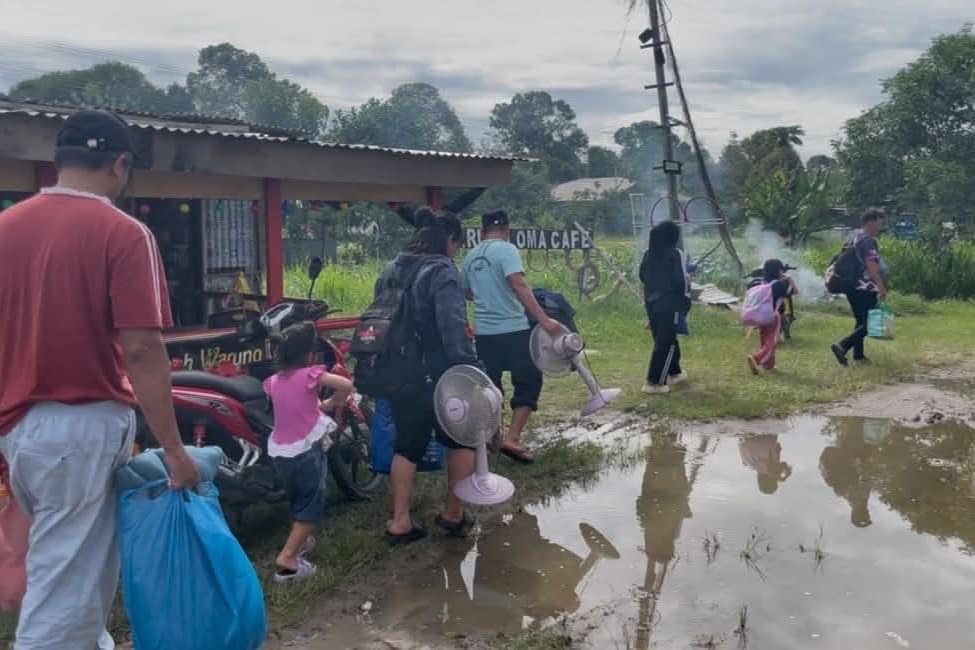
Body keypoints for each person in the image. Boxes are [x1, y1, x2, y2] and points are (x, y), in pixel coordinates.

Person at [0, 110, 201, 649]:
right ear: (120, 165)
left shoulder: (5, 228)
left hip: (18, 427)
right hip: (81, 428)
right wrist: (175, 449)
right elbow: (141, 347)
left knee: (70, 571)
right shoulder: (123, 233)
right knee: (66, 589)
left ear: (57, 162)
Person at [377, 208, 480, 544]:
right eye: (457, 244)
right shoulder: (443, 271)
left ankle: (400, 522)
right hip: (439, 373)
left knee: (406, 445)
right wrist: (470, 368)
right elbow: (452, 328)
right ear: (450, 240)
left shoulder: (392, 268)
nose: (456, 251)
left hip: (398, 369)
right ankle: (453, 515)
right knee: (460, 438)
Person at [462, 210, 562, 464]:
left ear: (482, 232)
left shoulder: (470, 256)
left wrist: (488, 293)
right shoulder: (507, 250)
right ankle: (512, 438)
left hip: (484, 334)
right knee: (529, 381)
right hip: (514, 330)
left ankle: (494, 437)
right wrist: (544, 320)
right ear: (507, 230)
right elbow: (519, 285)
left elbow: (468, 293)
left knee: (490, 387)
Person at [263, 322, 352, 583]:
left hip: (280, 452)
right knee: (311, 504)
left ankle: (300, 541)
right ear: (309, 355)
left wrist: (318, 404)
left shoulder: (271, 382)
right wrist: (335, 401)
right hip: (305, 451)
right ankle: (288, 559)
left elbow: (295, 405)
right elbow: (345, 385)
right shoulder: (311, 375)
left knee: (297, 500)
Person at [639, 221, 692, 395]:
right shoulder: (676, 253)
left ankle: (674, 372)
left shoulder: (648, 254)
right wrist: (685, 303)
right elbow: (681, 281)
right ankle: (654, 382)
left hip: (651, 303)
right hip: (670, 304)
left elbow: (642, 276)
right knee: (666, 342)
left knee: (664, 339)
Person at [832, 208, 888, 366]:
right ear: (870, 222)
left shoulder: (854, 238)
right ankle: (842, 346)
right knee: (869, 323)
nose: (880, 226)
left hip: (851, 286)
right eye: (879, 222)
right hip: (864, 287)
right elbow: (872, 266)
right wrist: (881, 286)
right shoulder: (869, 241)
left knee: (861, 321)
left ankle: (859, 355)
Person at [747, 259, 799, 374]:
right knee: (772, 341)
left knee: (765, 339)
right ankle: (756, 358)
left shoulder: (763, 282)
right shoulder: (780, 284)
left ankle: (769, 365)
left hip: (761, 315)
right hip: (774, 316)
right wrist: (789, 279)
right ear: (778, 270)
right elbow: (795, 292)